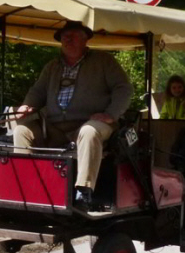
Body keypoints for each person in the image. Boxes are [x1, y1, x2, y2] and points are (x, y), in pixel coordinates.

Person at [14, 21, 133, 210]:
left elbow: (124, 89)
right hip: (55, 127)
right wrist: (27, 105)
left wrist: (111, 114)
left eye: (74, 35)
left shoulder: (103, 61)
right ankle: (26, 187)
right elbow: (37, 92)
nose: (68, 39)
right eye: (64, 36)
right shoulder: (52, 66)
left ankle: (83, 192)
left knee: (89, 132)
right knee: (21, 131)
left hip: (92, 122)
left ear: (86, 39)